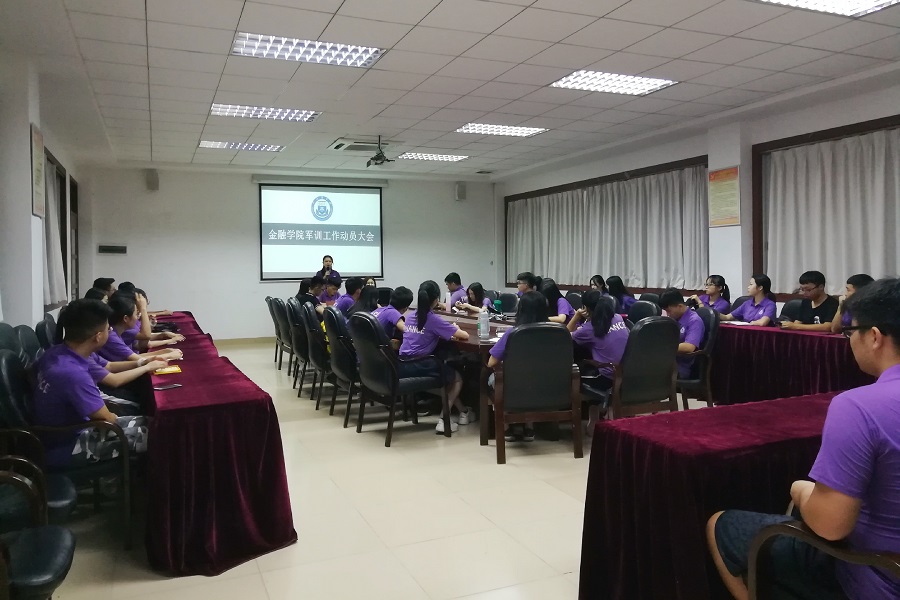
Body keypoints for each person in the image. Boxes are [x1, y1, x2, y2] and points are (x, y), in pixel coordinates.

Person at [707, 277, 900, 600]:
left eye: (850, 332)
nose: (849, 341)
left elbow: (831, 526)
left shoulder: (859, 407)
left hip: (878, 575)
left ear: (875, 337)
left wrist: (800, 489)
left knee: (721, 525)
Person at [31, 299, 155, 468]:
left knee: (154, 423)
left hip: (61, 432)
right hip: (68, 445)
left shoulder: (55, 352)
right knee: (158, 434)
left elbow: (30, 374)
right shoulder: (73, 374)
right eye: (108, 329)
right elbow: (108, 419)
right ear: (98, 336)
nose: (110, 331)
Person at [399, 280, 471, 433]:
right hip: (421, 364)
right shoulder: (433, 319)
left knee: (447, 378)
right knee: (456, 378)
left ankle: (463, 411)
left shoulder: (410, 316)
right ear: (437, 299)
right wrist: (455, 328)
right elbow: (464, 335)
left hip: (402, 364)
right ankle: (444, 420)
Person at [487, 290, 549, 442]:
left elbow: (491, 362)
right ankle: (529, 426)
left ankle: (507, 427)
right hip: (545, 384)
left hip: (514, 385)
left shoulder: (514, 333)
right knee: (531, 378)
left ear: (521, 310)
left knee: (495, 378)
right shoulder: (554, 331)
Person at [567, 290, 629, 433]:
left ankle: (589, 416)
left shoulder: (589, 329)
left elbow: (563, 335)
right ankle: (599, 412)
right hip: (625, 373)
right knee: (590, 364)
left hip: (606, 377)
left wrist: (577, 316)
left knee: (574, 372)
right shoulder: (617, 317)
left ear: (586, 308)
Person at [97, 294, 182, 363]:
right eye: (136, 314)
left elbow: (135, 356)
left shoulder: (117, 332)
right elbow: (139, 359)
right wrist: (169, 355)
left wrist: (165, 351)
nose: (138, 317)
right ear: (125, 318)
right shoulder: (111, 336)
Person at [658, 288, 706, 379]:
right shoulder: (674, 318)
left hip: (681, 366)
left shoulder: (694, 320)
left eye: (668, 311)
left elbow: (689, 347)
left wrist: (663, 348)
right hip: (668, 361)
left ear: (680, 306)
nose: (667, 314)